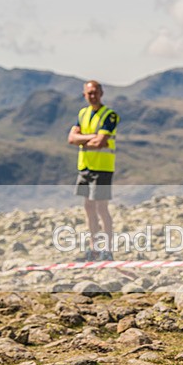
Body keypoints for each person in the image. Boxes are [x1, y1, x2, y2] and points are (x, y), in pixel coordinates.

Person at [67, 80, 120, 261]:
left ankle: (107, 249)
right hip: (85, 167)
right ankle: (94, 248)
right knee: (89, 207)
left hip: (102, 168)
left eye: (95, 92)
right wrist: (92, 137)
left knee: (101, 208)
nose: (92, 96)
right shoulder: (83, 114)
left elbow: (100, 142)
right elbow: (71, 138)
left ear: (101, 93)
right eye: (89, 93)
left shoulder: (109, 116)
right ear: (84, 95)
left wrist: (82, 139)